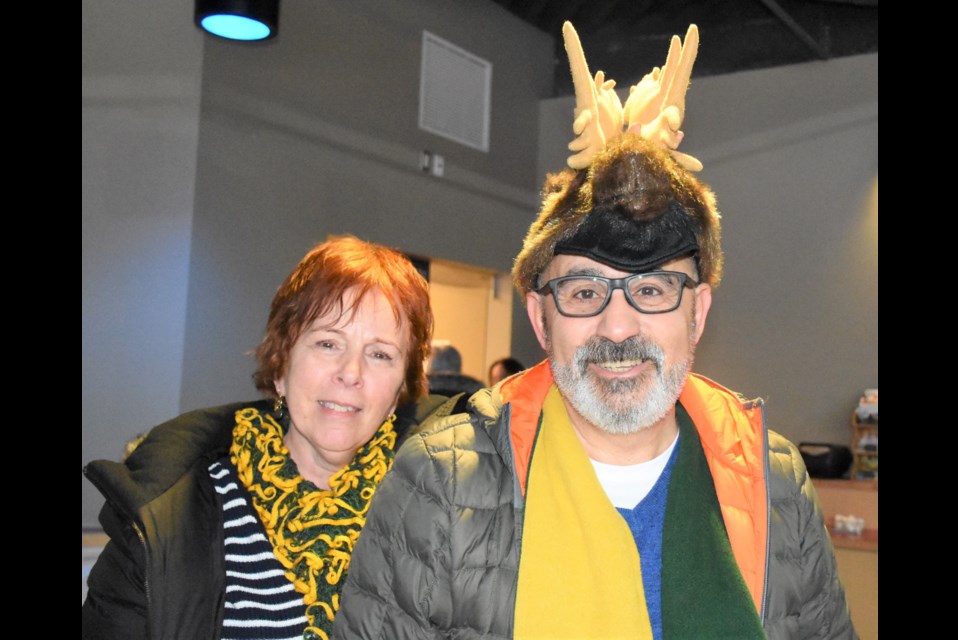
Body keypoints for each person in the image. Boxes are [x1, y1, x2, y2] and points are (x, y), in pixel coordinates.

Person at [335, 22, 854, 640]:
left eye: (653, 289)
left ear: (699, 313)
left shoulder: (776, 482)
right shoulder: (437, 486)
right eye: (583, 291)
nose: (617, 325)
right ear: (540, 318)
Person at [82, 236, 451, 640]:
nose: (351, 372)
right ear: (280, 366)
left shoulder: (440, 511)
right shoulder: (170, 513)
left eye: (380, 354)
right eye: (328, 343)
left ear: (401, 388)